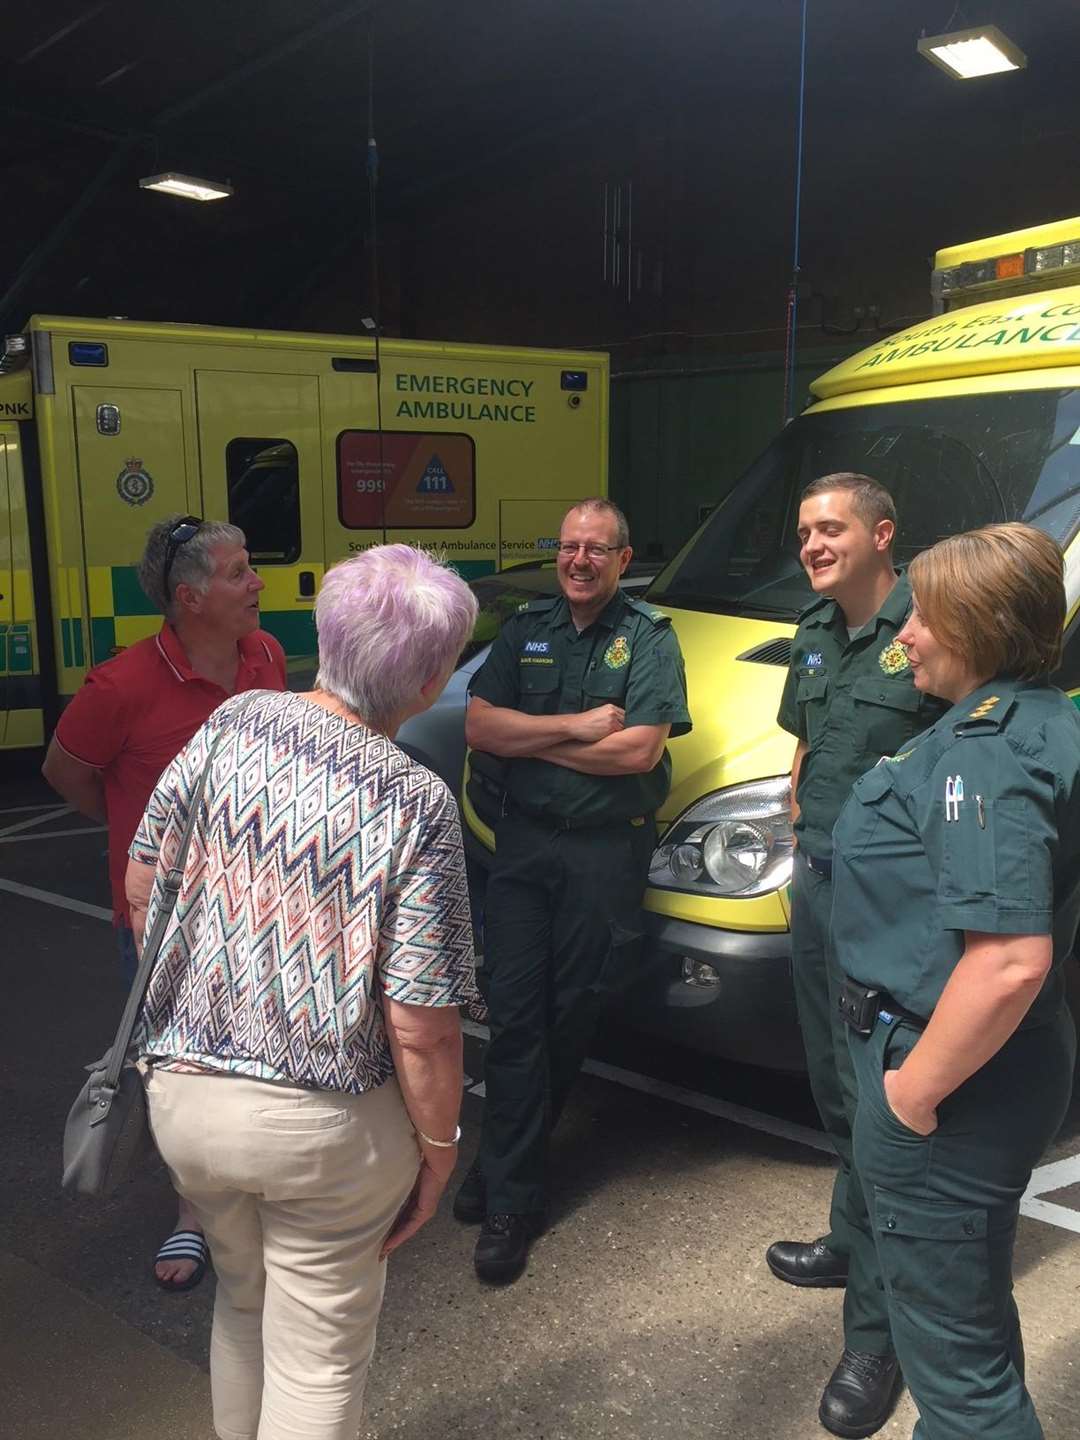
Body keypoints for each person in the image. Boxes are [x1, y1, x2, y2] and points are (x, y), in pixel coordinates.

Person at [126, 545, 480, 1440]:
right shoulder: (416, 801)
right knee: (318, 1357)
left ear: (325, 633)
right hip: (325, 1132)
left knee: (243, 1304)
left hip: (187, 1105)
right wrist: (439, 1149)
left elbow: (143, 879)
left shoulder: (235, 721)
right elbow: (422, 1025)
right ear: (433, 675)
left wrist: (201, 990)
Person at [831, 522, 1078, 1440]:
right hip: (991, 1071)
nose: (904, 635)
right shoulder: (1043, 716)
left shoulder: (983, 752)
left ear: (974, 626)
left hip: (950, 1084)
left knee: (962, 1387)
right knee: (967, 1321)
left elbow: (1010, 959)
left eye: (924, 617)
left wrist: (908, 1101)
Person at [42, 516, 286, 1290]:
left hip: (256, 909)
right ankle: (193, 1218)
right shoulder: (121, 684)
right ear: (190, 597)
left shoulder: (266, 655)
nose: (258, 584)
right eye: (240, 573)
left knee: (258, 1061)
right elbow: (66, 774)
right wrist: (127, 824)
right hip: (163, 923)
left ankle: (258, 1191)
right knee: (181, 1078)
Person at [455, 497, 691, 1284]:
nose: (578, 560)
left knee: (567, 1015)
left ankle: (500, 1164)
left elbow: (637, 753)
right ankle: (514, 1201)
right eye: (567, 547)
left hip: (600, 858)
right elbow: (482, 728)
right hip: (522, 850)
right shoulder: (525, 629)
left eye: (596, 549)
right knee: (515, 1014)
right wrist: (578, 728)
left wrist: (540, 740)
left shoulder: (650, 638)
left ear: (624, 560)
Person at [768, 474, 946, 1437]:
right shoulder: (815, 629)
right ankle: (850, 1239)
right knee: (837, 1085)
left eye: (829, 528)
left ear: (884, 534)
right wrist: (801, 815)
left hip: (892, 906)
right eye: (803, 532)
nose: (812, 544)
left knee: (882, 1112)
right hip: (819, 882)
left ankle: (875, 1337)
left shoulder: (931, 629)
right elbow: (802, 741)